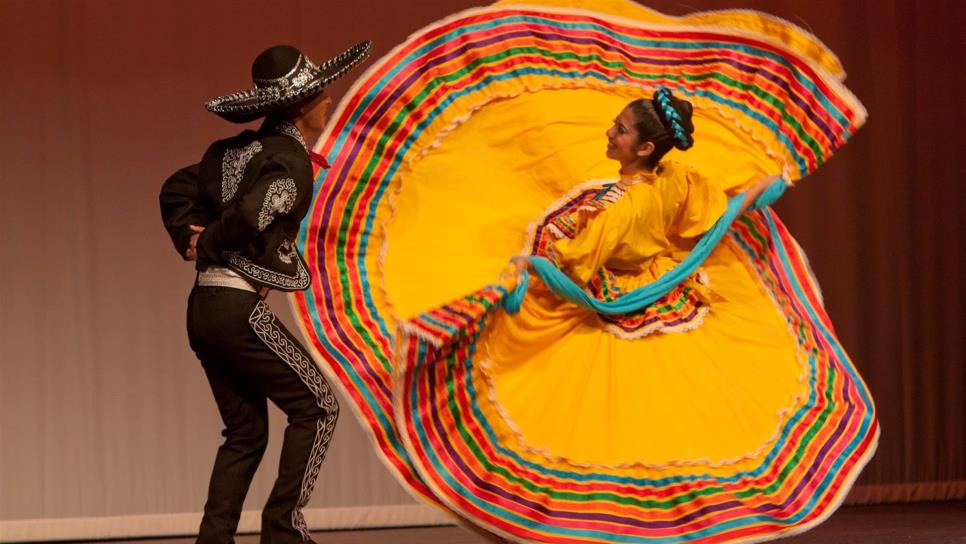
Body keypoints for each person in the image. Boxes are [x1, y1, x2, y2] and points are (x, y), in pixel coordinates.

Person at [160, 41, 371, 544]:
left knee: (247, 432)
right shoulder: (288, 161)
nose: (329, 102)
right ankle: (283, 533)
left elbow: (176, 186)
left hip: (205, 309)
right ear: (301, 107)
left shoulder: (236, 150)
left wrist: (188, 234)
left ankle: (215, 539)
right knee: (319, 407)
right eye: (323, 95)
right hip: (236, 308)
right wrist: (209, 241)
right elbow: (254, 210)